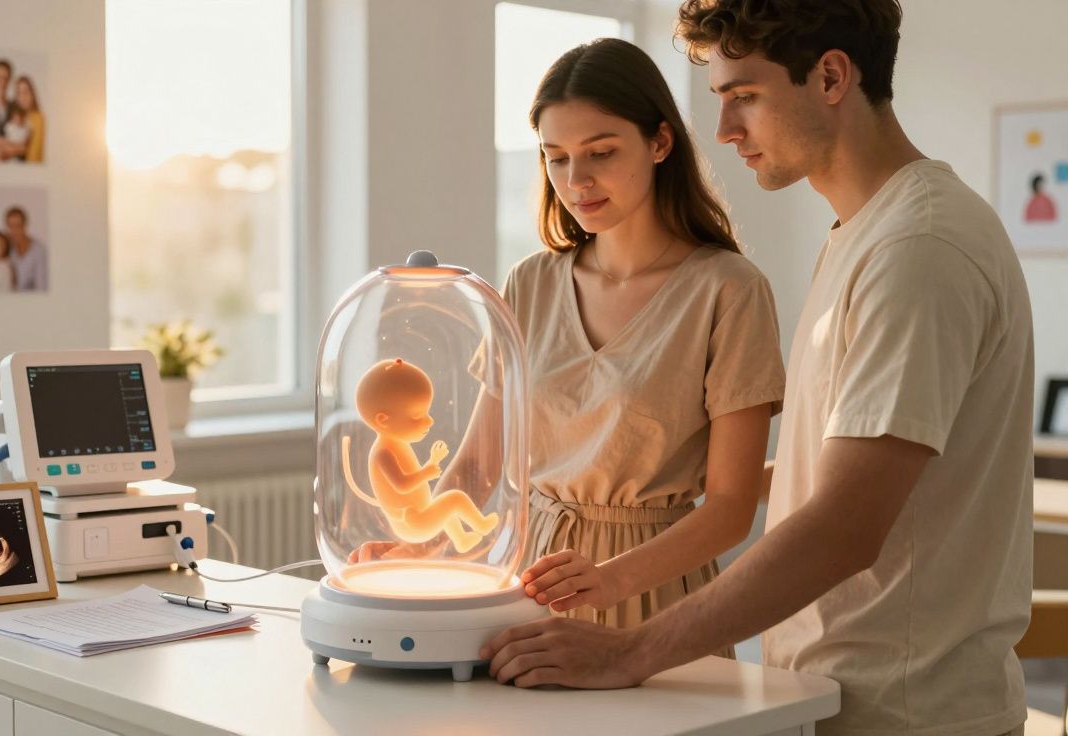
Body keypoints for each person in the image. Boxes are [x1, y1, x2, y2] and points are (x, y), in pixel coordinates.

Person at [485, 4, 1035, 736]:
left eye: (743, 95)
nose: (723, 132)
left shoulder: (918, 249)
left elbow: (845, 525)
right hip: (830, 691)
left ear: (832, 76)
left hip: (906, 713)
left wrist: (631, 649)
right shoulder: (863, 236)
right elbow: (833, 474)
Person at [360, 38, 785, 638]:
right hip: (529, 577)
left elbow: (730, 509)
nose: (576, 179)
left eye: (600, 152)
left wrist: (610, 580)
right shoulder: (530, 282)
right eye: (555, 157)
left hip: (653, 592)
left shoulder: (728, 290)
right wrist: (418, 547)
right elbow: (482, 463)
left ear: (660, 143)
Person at [5, 206, 48, 290]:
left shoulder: (39, 251)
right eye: (10, 226)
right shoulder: (7, 249)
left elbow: (41, 289)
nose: (14, 231)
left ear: (25, 226)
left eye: (18, 226)